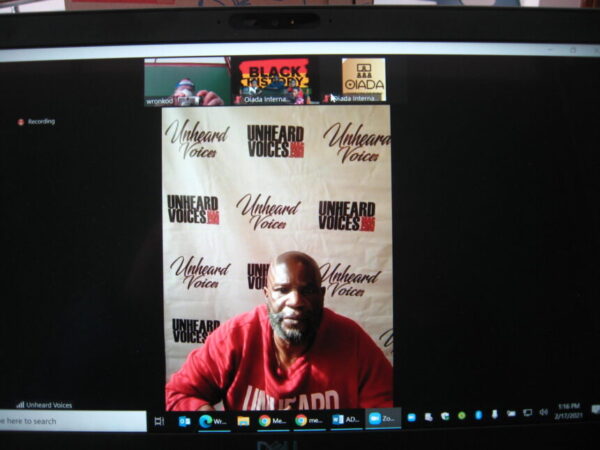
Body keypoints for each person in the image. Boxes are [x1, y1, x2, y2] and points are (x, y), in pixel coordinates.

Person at [165, 251, 393, 411]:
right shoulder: (235, 337)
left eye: (307, 291)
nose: (296, 301)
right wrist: (209, 422)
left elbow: (388, 413)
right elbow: (177, 394)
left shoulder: (351, 340)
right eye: (283, 290)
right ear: (267, 296)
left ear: (322, 296)